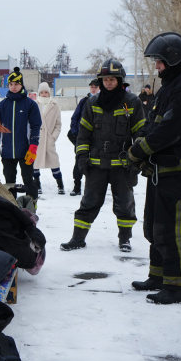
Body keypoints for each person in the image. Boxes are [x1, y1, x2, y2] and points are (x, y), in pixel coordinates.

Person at [129, 32, 181, 304]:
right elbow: (154, 123)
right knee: (155, 226)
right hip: (160, 171)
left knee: (173, 229)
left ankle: (177, 284)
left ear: (172, 60)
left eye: (159, 61)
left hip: (175, 171)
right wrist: (142, 141)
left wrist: (141, 149)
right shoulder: (171, 85)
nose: (156, 66)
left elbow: (171, 129)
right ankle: (158, 275)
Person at [61, 59, 145, 252]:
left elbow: (141, 133)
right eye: (105, 79)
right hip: (96, 164)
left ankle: (125, 239)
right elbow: (83, 134)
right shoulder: (92, 103)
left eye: (112, 79)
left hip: (123, 165)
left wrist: (136, 159)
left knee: (125, 204)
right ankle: (78, 238)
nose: (108, 83)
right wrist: (81, 157)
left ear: (120, 80)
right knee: (88, 202)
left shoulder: (132, 102)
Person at [0, 66, 42, 202]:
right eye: (11, 84)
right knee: (9, 182)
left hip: (25, 151)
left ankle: (32, 204)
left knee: (28, 180)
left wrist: (33, 147)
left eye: (17, 84)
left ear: (21, 84)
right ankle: (12, 205)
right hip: (7, 152)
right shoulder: (2, 105)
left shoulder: (30, 104)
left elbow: (36, 127)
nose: (14, 87)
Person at [67, 79, 99, 196]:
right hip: (82, 138)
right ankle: (77, 186)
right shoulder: (84, 101)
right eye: (92, 87)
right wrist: (76, 133)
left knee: (95, 164)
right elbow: (75, 117)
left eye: (96, 86)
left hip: (96, 139)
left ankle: (93, 188)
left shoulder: (103, 101)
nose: (93, 88)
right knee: (79, 161)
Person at [32, 81, 65, 195]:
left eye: (46, 92)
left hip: (49, 140)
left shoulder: (55, 105)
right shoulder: (34, 104)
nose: (44, 94)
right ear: (39, 93)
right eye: (42, 92)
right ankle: (37, 185)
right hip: (37, 140)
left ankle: (60, 185)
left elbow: (58, 124)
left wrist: (53, 137)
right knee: (35, 163)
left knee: (54, 163)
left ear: (49, 93)